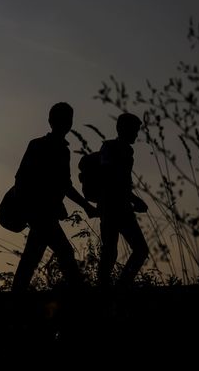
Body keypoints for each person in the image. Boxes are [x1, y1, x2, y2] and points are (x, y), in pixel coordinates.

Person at [11, 103, 96, 293]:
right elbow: (21, 177)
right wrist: (24, 206)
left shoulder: (62, 150)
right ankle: (80, 294)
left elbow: (65, 185)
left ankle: (16, 295)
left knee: (33, 256)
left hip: (45, 213)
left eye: (68, 119)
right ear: (51, 121)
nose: (66, 123)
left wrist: (85, 206)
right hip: (40, 212)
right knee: (63, 252)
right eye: (63, 119)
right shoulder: (38, 145)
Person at [98, 113, 149, 287]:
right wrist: (134, 199)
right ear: (122, 129)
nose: (136, 134)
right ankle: (108, 288)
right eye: (134, 130)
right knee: (111, 251)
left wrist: (133, 200)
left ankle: (120, 287)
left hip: (122, 208)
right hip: (111, 208)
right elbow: (109, 178)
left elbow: (122, 182)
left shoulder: (127, 151)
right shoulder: (109, 148)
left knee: (135, 250)